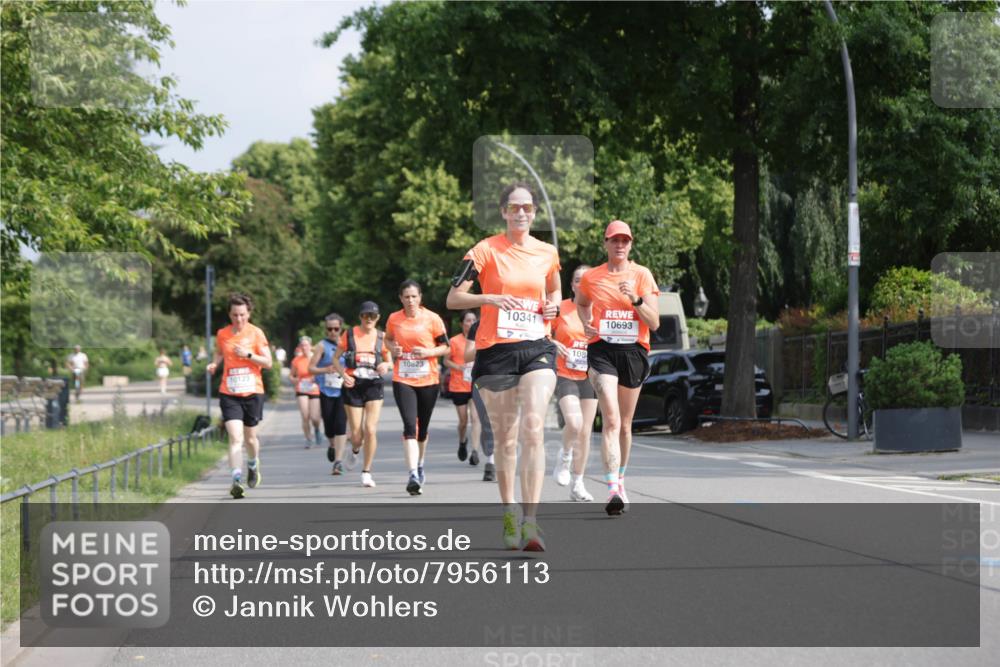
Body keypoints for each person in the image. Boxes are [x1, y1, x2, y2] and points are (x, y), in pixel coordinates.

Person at [447, 182, 560, 551]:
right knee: (507, 437)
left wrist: (553, 306)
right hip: (495, 351)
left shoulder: (547, 252)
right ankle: (510, 512)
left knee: (534, 426)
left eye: (527, 207)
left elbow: (555, 290)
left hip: (536, 347)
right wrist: (491, 298)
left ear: (535, 211)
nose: (521, 212)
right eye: (514, 207)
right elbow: (453, 298)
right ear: (503, 212)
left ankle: (531, 522)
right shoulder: (484, 250)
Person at [576, 221, 659, 516]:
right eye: (614, 240)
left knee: (625, 424)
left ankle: (621, 480)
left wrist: (635, 299)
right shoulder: (592, 277)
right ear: (606, 243)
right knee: (610, 419)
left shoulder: (642, 275)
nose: (620, 245)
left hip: (633, 352)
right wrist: (586, 322)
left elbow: (654, 322)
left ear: (631, 244)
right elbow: (581, 303)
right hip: (602, 351)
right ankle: (612, 489)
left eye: (625, 240)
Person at [384, 280, 450, 496]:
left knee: (422, 431)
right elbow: (387, 340)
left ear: (420, 298)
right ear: (400, 299)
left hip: (428, 380)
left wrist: (429, 353)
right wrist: (392, 349)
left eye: (414, 296)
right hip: (403, 379)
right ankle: (412, 474)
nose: (410, 300)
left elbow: (446, 347)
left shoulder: (432, 318)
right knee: (410, 427)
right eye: (406, 297)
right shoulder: (394, 319)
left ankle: (420, 464)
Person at [206, 293, 273, 499]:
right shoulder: (223, 334)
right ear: (229, 314)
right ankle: (236, 480)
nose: (239, 319)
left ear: (249, 313)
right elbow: (220, 352)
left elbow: (268, 363)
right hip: (229, 392)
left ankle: (252, 464)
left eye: (242, 314)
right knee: (235, 438)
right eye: (235, 315)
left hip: (253, 392)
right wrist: (214, 363)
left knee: (250, 439)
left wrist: (248, 355)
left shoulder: (256, 333)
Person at [330, 301, 392, 488]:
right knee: (357, 435)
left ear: (378, 318)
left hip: (374, 385)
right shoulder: (349, 334)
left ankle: (366, 472)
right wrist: (343, 375)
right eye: (365, 315)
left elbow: (390, 361)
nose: (369, 319)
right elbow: (336, 358)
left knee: (370, 429)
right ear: (360, 317)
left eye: (372, 316)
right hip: (353, 385)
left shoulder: (382, 337)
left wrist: (386, 365)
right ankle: (355, 449)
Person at [551, 265, 597, 502]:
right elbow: (541, 333)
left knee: (586, 432)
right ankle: (565, 456)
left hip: (590, 375)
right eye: (578, 279)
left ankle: (578, 483)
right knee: (574, 423)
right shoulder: (560, 308)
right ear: (572, 285)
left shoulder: (599, 310)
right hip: (565, 373)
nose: (582, 283)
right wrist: (552, 343)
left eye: (587, 279)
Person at [309, 313, 353, 475]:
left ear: (341, 328)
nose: (333, 332)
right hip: (326, 390)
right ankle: (332, 444)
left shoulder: (347, 344)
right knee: (329, 426)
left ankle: (338, 462)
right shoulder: (322, 346)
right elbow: (310, 368)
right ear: (326, 330)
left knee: (341, 425)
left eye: (336, 329)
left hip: (343, 390)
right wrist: (326, 369)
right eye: (329, 329)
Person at [443, 310, 482, 466]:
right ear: (461, 324)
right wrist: (458, 367)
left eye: (473, 320)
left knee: (476, 418)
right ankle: (462, 441)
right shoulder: (454, 341)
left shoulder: (481, 340)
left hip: (475, 383)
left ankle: (475, 451)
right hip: (459, 385)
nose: (471, 323)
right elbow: (446, 361)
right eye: (468, 320)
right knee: (463, 421)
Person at [462, 320, 497, 482]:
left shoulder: (514, 320)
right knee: (487, 421)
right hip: (482, 376)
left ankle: (495, 461)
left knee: (503, 422)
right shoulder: (477, 326)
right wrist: (486, 345)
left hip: (508, 376)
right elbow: (467, 356)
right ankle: (491, 458)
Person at [290, 336, 322, 448]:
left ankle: (317, 428)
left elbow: (323, 372)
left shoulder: (316, 358)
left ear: (310, 346)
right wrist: (294, 380)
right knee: (305, 416)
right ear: (300, 347)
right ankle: (308, 439)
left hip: (314, 389)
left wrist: (316, 378)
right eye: (302, 345)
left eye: (306, 345)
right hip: (301, 389)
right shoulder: (296, 360)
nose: (304, 347)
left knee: (315, 417)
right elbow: (291, 375)